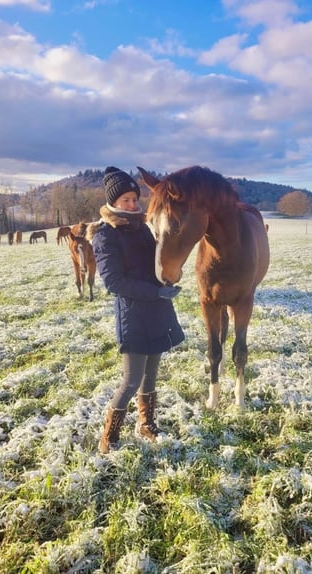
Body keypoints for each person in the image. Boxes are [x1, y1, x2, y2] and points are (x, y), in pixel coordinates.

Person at [88, 166, 185, 454]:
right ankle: (109, 437)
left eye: (134, 198)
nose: (132, 204)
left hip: (157, 311)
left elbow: (156, 260)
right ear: (113, 203)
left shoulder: (143, 227)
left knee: (151, 377)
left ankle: (146, 424)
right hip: (133, 316)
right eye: (126, 200)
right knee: (130, 381)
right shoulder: (105, 235)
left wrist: (170, 271)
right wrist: (156, 291)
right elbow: (114, 281)